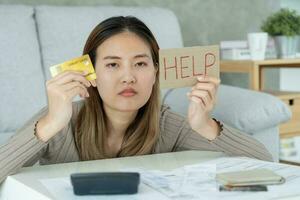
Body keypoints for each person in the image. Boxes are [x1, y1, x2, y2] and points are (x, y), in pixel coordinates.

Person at [0, 16, 273, 184]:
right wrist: (50, 125)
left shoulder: (169, 125)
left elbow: (265, 161)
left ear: (156, 71)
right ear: (91, 72)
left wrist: (206, 126)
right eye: (113, 65)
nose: (128, 77)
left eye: (140, 64)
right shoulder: (59, 120)